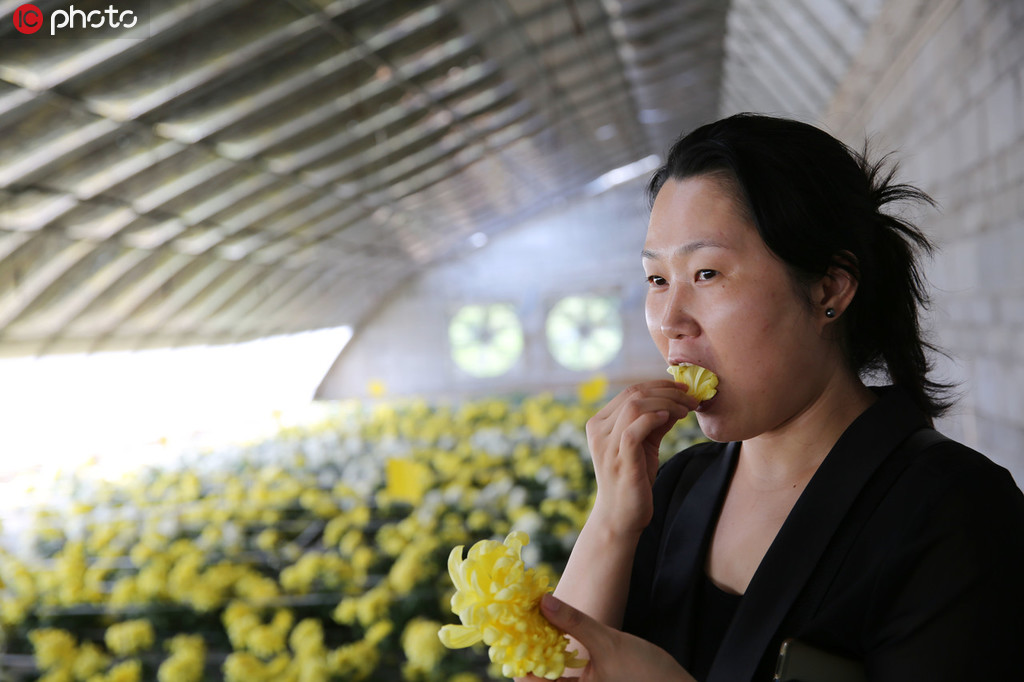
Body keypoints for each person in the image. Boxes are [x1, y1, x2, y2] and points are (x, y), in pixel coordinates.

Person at [519, 113, 1024, 681]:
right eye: (657, 280)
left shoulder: (955, 508)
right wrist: (611, 519)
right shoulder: (672, 489)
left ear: (830, 288)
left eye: (707, 274)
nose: (669, 321)